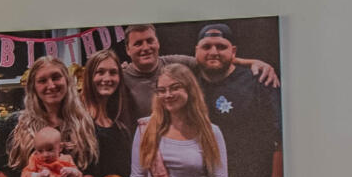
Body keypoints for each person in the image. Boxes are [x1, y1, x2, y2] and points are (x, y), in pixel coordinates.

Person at [191, 23, 284, 177]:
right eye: (207, 46)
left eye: (221, 46)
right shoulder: (188, 84)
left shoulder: (258, 81)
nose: (213, 52)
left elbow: (279, 138)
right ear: (196, 51)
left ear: (234, 51)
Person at [2, 53, 98, 177]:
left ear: (67, 80)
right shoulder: (14, 126)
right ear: (33, 87)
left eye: (56, 77)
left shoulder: (84, 127)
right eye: (42, 80)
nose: (51, 85)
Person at [131, 60, 229, 177]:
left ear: (189, 90)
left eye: (175, 88)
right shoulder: (146, 128)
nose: (167, 95)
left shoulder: (211, 132)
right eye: (161, 90)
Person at [117, 22, 274, 122]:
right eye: (138, 44)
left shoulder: (175, 63)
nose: (146, 47)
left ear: (158, 43)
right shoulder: (120, 76)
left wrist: (254, 62)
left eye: (150, 41)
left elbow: (210, 59)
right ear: (127, 49)